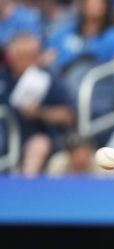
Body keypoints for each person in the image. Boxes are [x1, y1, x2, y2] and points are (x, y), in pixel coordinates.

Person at [0, 33, 75, 176]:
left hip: (37, 138)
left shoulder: (47, 78)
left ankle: (26, 190)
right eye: (25, 56)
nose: (32, 61)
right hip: (5, 136)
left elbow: (68, 115)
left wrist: (40, 113)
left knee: (39, 144)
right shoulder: (3, 78)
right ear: (12, 57)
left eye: (34, 56)